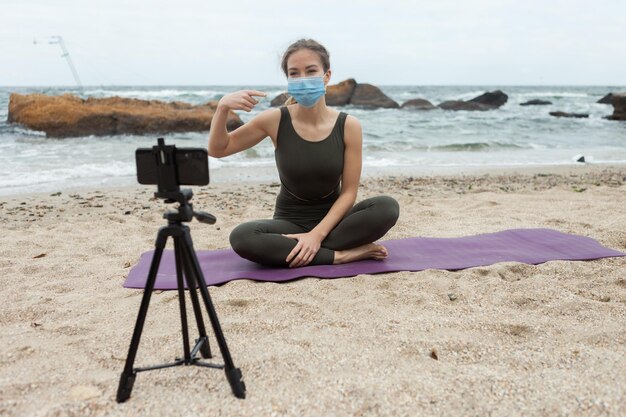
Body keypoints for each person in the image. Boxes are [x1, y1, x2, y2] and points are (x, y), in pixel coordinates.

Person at [208, 38, 399, 268]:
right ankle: (342, 255)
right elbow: (219, 149)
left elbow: (349, 193)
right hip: (290, 223)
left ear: (327, 76)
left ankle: (311, 249)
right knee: (242, 236)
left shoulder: (349, 126)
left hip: (336, 223)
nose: (303, 79)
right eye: (294, 73)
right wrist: (222, 108)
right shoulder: (275, 120)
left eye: (310, 71)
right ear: (288, 79)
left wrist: (316, 235)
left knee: (387, 207)